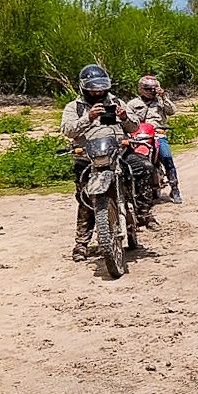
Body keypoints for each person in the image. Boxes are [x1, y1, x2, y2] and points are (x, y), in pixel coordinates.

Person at [60, 64, 144, 262]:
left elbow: (134, 127)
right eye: (93, 88)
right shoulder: (75, 107)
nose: (97, 92)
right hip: (88, 157)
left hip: (117, 153)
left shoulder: (116, 101)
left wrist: (124, 117)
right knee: (85, 200)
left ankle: (142, 214)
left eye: (101, 87)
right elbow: (67, 130)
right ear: (84, 87)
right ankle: (81, 244)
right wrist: (88, 118)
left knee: (144, 169)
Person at [126, 75, 182, 204]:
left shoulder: (161, 100)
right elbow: (127, 120)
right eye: (147, 88)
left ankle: (175, 188)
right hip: (138, 136)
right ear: (141, 89)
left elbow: (172, 111)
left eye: (153, 88)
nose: (151, 91)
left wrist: (163, 97)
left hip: (157, 134)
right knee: (129, 159)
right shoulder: (133, 104)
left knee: (166, 157)